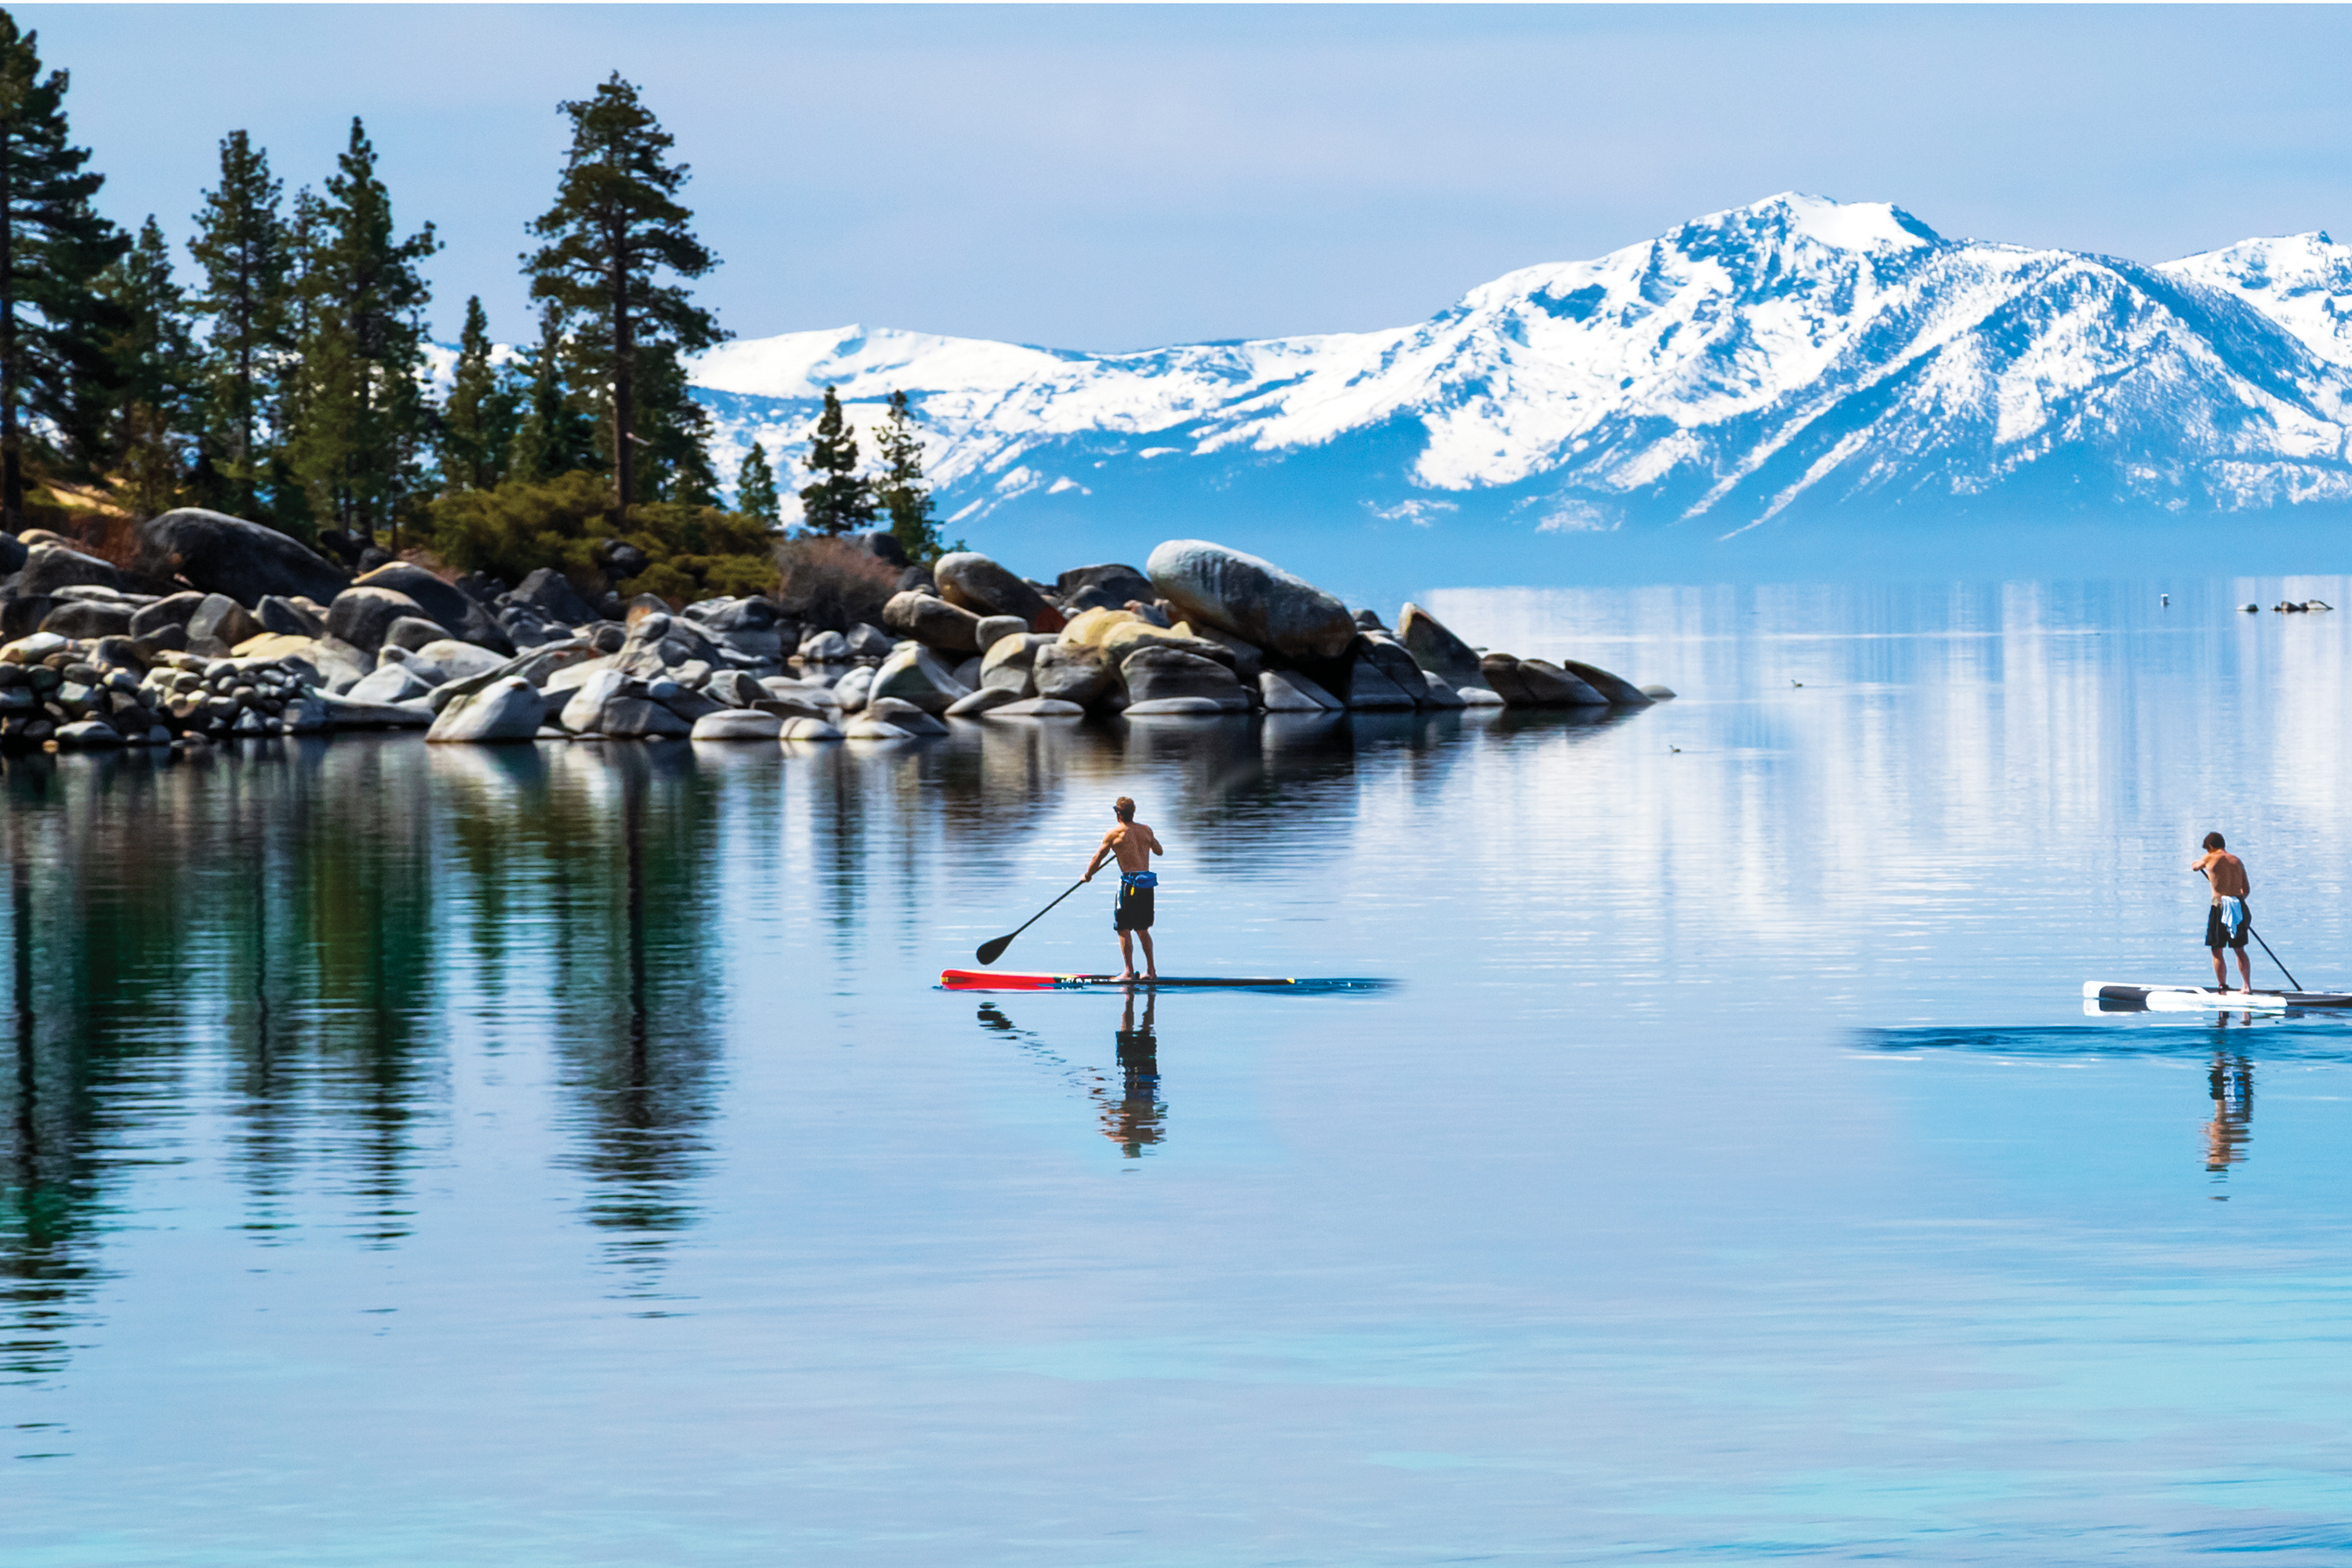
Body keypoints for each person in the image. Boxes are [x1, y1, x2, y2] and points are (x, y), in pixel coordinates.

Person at [1083, 796, 1165, 982]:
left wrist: (1087, 875)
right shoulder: (1146, 830)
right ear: (1133, 813)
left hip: (1130, 885)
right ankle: (1151, 972)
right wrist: (1146, 843)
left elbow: (1097, 858)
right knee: (1142, 929)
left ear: (1118, 814)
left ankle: (1128, 972)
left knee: (1123, 927)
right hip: (1146, 884)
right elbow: (1159, 851)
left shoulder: (1114, 834)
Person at [2192, 831, 2254, 992]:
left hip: (2219, 906)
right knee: (2239, 949)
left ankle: (2222, 986)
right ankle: (2246, 986)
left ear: (2210, 847)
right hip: (2237, 905)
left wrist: (2200, 863)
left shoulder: (2210, 857)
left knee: (2216, 949)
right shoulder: (2236, 861)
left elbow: (2195, 867)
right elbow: (2245, 890)